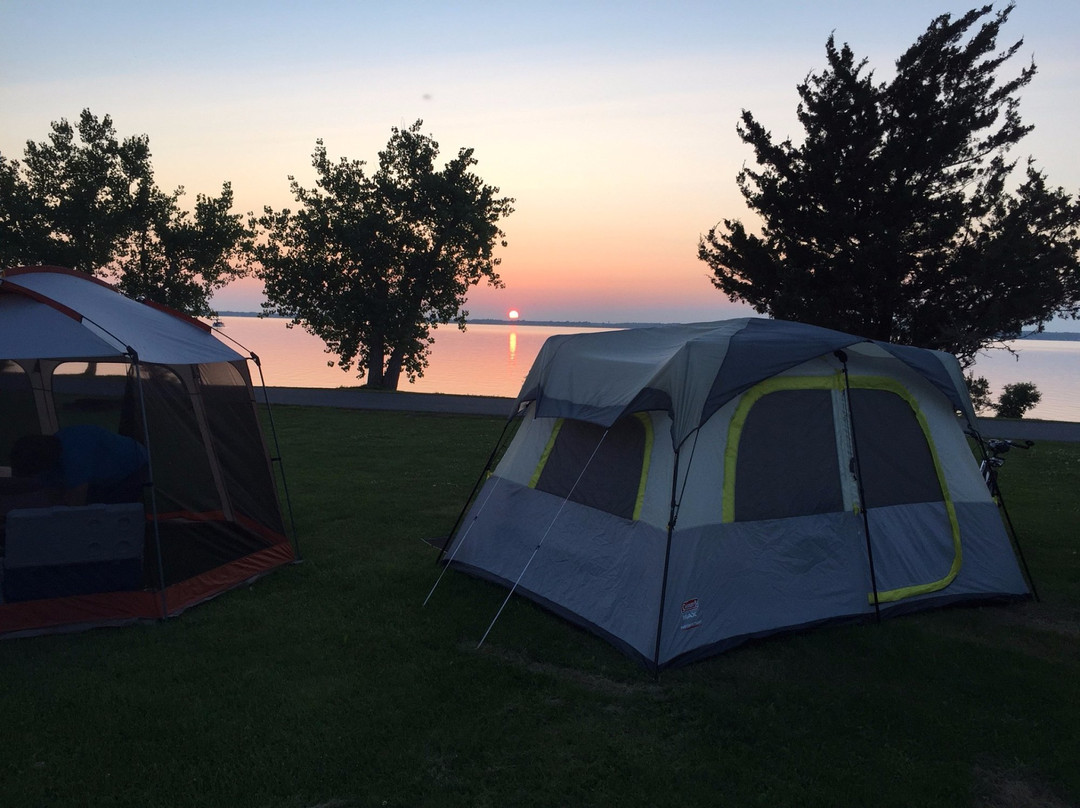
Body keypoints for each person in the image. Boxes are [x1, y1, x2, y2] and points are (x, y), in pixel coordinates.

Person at [10, 425, 149, 506]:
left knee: (109, 511)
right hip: (101, 469)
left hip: (133, 464)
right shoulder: (48, 457)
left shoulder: (75, 456)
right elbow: (51, 493)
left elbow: (76, 504)